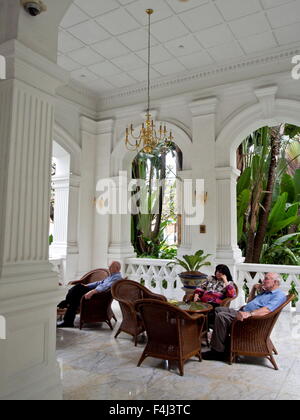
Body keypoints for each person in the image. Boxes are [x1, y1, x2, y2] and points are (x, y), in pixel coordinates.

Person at [202, 272, 286, 361]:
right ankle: (222, 340)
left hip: (250, 320)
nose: (263, 280)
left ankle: (217, 352)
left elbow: (267, 310)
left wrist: (249, 314)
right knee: (218, 310)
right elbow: (249, 302)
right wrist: (253, 289)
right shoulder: (266, 292)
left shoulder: (278, 295)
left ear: (276, 282)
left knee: (221, 316)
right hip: (243, 312)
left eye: (266, 278)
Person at [57, 261, 122, 328]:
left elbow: (104, 287)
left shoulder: (116, 278)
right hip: (97, 292)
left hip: (98, 296)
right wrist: (86, 286)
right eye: (109, 267)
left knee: (76, 289)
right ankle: (68, 318)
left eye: (110, 267)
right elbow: (99, 283)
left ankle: (66, 306)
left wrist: (92, 292)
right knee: (75, 295)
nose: (108, 268)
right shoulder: (112, 276)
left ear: (117, 268)